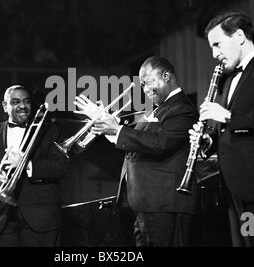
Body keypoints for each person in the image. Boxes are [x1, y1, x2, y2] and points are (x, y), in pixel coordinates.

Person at [74, 56, 199, 247]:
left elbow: (160, 143)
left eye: (148, 83)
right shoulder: (158, 110)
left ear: (166, 76)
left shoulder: (182, 108)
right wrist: (106, 123)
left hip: (165, 204)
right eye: (142, 85)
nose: (145, 90)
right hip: (145, 204)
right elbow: (134, 143)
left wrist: (116, 129)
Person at [0, 85, 68, 247]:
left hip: (41, 219)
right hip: (1, 218)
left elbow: (61, 167)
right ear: (5, 106)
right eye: (15, 102)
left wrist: (26, 165)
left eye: (26, 101)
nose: (22, 106)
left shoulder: (49, 131)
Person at [189, 11, 254, 247]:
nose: (215, 54)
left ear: (238, 36)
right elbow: (229, 131)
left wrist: (226, 116)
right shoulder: (227, 80)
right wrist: (207, 141)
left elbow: (235, 120)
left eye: (217, 45)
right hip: (232, 188)